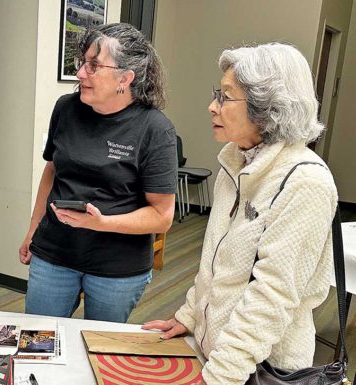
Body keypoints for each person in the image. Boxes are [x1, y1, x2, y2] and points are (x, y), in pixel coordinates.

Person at [143, 42, 338, 385]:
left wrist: (220, 376)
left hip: (261, 371)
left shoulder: (306, 181)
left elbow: (271, 298)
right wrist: (190, 314)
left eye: (225, 96)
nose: (212, 107)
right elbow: (217, 265)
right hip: (217, 354)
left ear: (267, 106)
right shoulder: (235, 162)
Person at [19, 23, 177, 323]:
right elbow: (52, 170)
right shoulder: (66, 108)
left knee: (99, 353)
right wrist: (33, 229)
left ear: (125, 78)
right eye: (82, 63)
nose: (80, 74)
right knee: (37, 342)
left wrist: (104, 223)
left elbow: (162, 216)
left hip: (116, 267)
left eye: (93, 66)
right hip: (54, 252)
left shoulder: (155, 129)